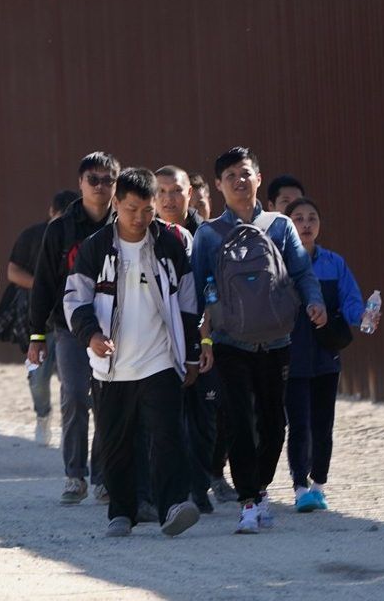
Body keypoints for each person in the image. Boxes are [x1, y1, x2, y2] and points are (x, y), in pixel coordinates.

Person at [191, 147, 325, 534]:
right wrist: (202, 340)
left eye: (245, 172)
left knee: (273, 424)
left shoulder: (280, 226)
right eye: (230, 175)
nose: (239, 180)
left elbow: (302, 272)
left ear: (258, 177)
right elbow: (196, 290)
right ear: (218, 185)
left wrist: (314, 302)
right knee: (238, 422)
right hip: (231, 342)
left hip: (277, 340)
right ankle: (248, 500)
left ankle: (261, 488)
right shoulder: (209, 234)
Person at [64, 168, 204, 538]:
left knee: (167, 434)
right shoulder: (95, 248)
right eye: (131, 210)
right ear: (116, 205)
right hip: (112, 366)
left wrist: (190, 353)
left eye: (147, 210)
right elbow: (74, 299)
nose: (140, 218)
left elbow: (188, 303)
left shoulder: (169, 246)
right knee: (116, 441)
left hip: (160, 358)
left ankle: (173, 505)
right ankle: (121, 511)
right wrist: (91, 334)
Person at [28, 152, 119, 503]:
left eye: (108, 180)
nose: (100, 187)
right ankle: (74, 475)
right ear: (80, 183)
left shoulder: (124, 224)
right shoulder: (61, 228)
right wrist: (36, 335)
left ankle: (103, 476)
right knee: (76, 395)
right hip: (68, 328)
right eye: (92, 180)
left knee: (107, 399)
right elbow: (44, 285)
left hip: (114, 325)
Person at [284, 197, 377, 513]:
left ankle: (318, 486)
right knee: (298, 425)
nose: (306, 225)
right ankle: (299, 488)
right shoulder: (280, 262)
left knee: (323, 424)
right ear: (288, 225)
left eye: (312, 218)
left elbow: (351, 302)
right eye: (298, 218)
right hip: (291, 356)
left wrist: (364, 316)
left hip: (326, 356)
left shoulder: (334, 263)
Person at [155, 165, 227, 512]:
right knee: (166, 419)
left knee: (204, 419)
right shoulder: (142, 234)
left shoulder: (207, 235)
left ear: (191, 194)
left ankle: (201, 487)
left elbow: (214, 289)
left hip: (204, 338)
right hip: (158, 343)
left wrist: (207, 337)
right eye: (162, 192)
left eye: (177, 191)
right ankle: (170, 492)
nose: (170, 199)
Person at [6, 189, 80, 446]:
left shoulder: (81, 235)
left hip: (70, 325)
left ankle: (69, 429)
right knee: (37, 379)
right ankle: (42, 416)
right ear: (51, 212)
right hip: (37, 323)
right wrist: (42, 285)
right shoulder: (32, 235)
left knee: (71, 382)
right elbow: (13, 272)